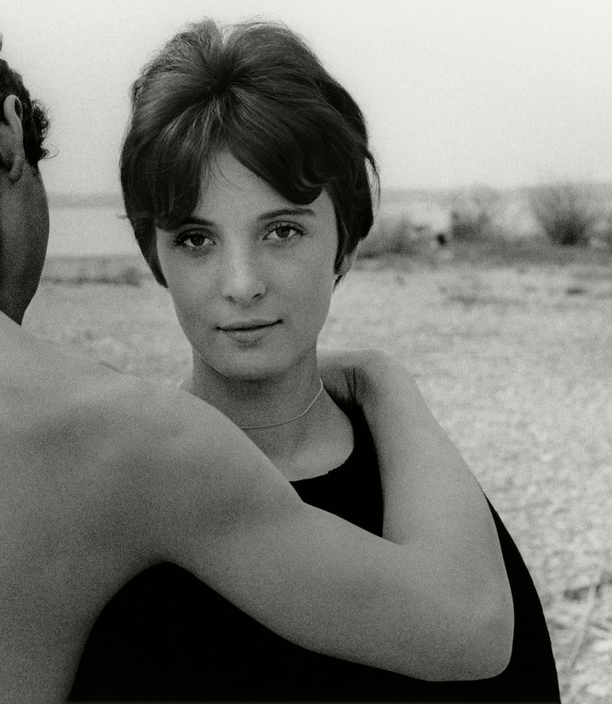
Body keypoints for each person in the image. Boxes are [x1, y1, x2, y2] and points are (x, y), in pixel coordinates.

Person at [0, 6, 513, 703]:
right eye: (193, 237)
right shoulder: (120, 431)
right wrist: (384, 381)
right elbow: (466, 626)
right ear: (8, 134)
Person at [70, 18, 559, 703]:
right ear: (156, 258)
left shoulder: (430, 510)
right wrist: (384, 379)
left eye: (282, 230)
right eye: (194, 239)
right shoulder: (113, 508)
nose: (241, 282)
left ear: (346, 245)